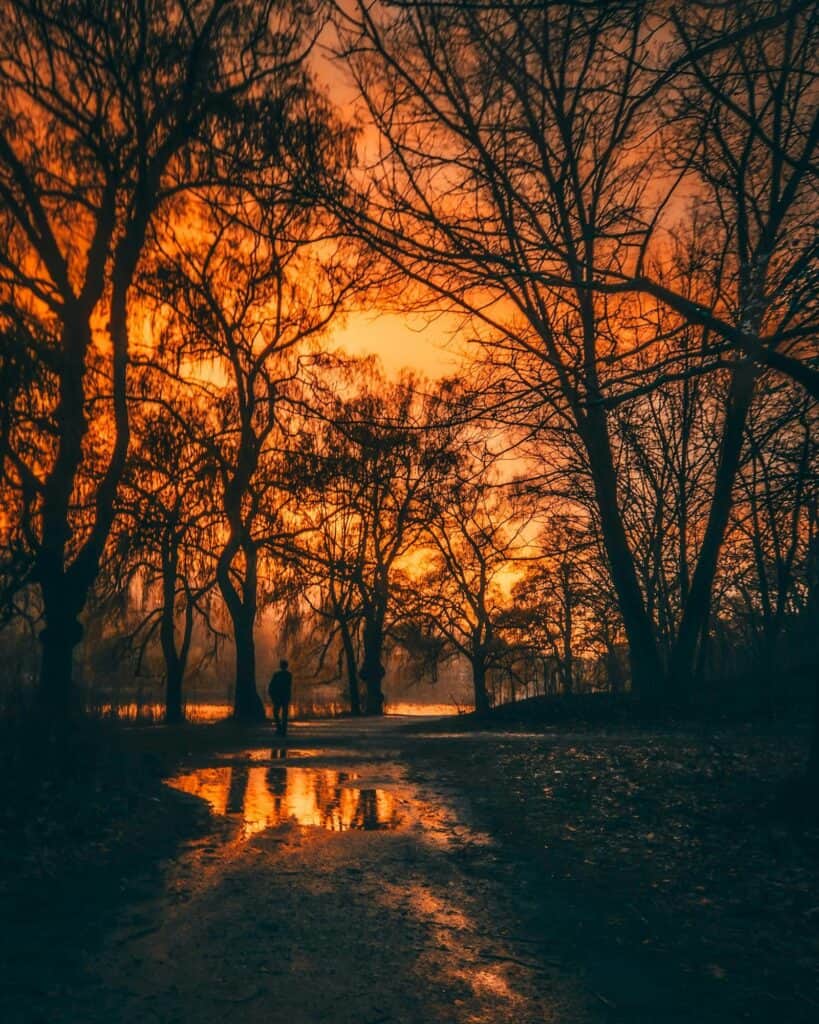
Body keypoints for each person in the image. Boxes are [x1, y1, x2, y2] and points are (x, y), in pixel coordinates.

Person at [268, 658, 293, 736]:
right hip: (285, 697)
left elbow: (272, 686)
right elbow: (288, 686)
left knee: (276, 713)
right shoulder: (289, 675)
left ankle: (279, 728)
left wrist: (272, 695)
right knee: (284, 714)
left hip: (278, 697)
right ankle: (283, 730)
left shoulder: (277, 675)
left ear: (280, 666)